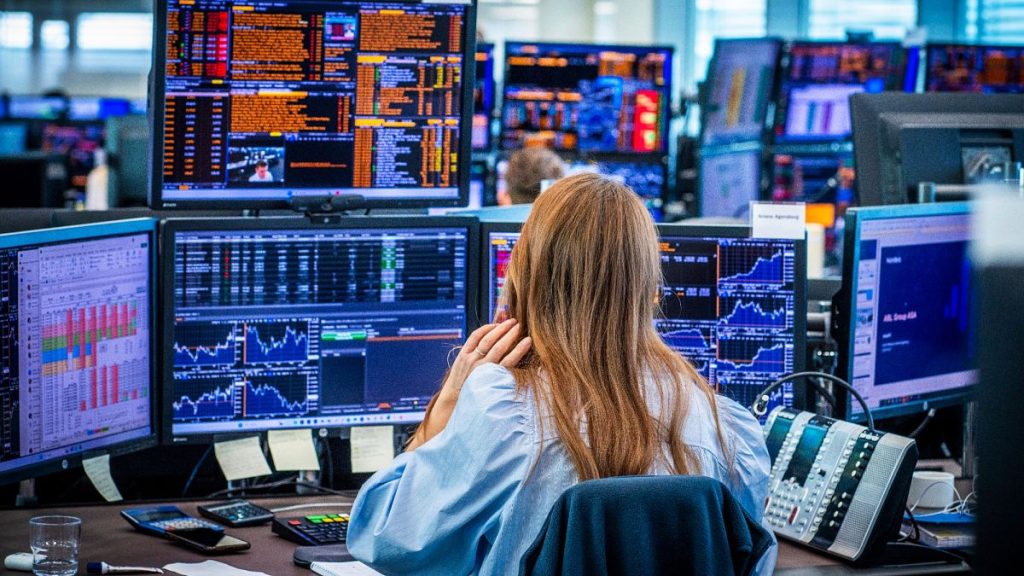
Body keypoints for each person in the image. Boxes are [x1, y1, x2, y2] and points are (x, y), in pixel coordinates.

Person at [347, 173, 774, 575]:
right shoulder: (723, 425)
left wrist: (443, 413)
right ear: (648, 288)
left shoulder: (501, 414)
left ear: (526, 278)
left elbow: (385, 543)